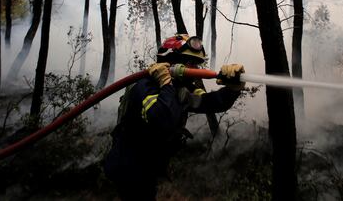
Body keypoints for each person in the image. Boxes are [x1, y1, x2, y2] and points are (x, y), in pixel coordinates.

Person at [104, 34, 245, 200]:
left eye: (196, 64)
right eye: (188, 62)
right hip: (129, 167)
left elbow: (211, 103)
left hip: (149, 166)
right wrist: (166, 83)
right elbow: (163, 118)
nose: (193, 68)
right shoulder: (146, 86)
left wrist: (233, 89)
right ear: (170, 60)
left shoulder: (181, 90)